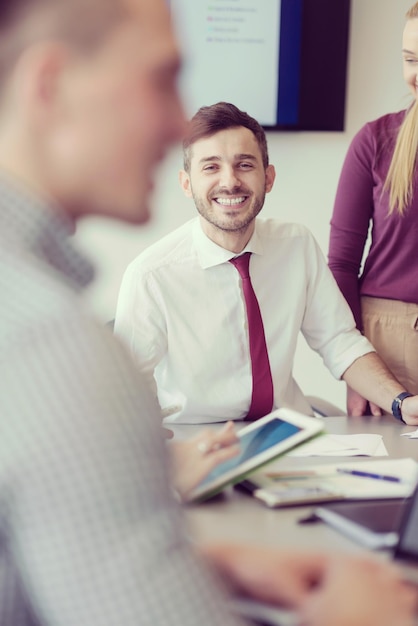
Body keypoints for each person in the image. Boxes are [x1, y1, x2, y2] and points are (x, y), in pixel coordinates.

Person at [0, 0, 416, 624]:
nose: (175, 125)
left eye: (244, 163)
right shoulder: (55, 340)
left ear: (268, 178)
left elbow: (46, 554)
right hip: (204, 454)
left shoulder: (37, 306)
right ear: (50, 84)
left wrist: (218, 563)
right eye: (162, 77)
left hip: (285, 453)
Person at [115, 101, 418, 427]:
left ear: (268, 178)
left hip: (286, 436)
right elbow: (125, 395)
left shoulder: (296, 246)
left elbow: (340, 341)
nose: (230, 181)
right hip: (198, 442)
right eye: (211, 167)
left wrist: (400, 403)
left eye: (244, 164)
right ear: (186, 183)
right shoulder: (151, 276)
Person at [328, 2, 418, 417]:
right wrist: (358, 373)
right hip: (389, 342)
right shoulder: (375, 141)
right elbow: (342, 262)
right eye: (410, 59)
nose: (415, 75)